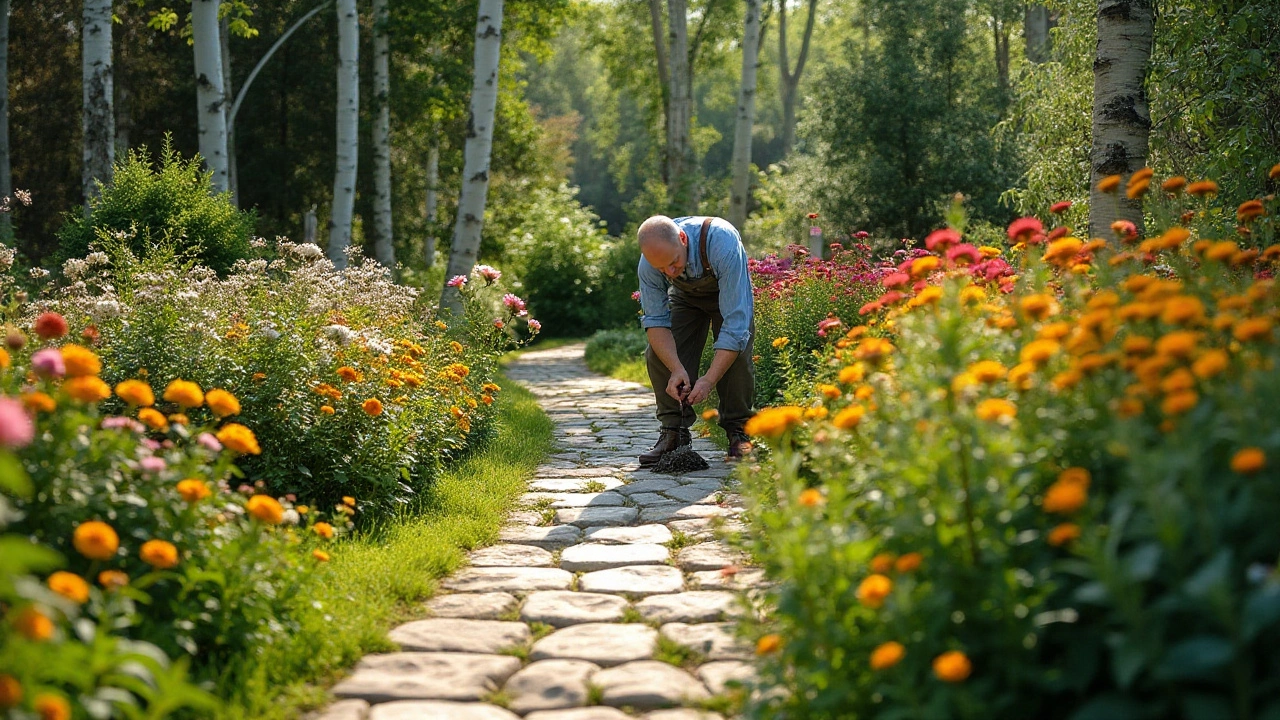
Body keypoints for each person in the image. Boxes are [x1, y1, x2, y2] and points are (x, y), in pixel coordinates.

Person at [635, 215, 755, 465]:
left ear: (682, 239)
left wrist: (708, 380)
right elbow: (656, 322)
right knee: (658, 354)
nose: (669, 272)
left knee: (737, 353)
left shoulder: (722, 242)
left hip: (728, 296)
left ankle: (739, 432)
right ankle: (674, 432)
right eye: (661, 269)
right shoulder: (649, 264)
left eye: (673, 262)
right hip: (686, 300)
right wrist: (677, 368)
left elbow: (735, 326)